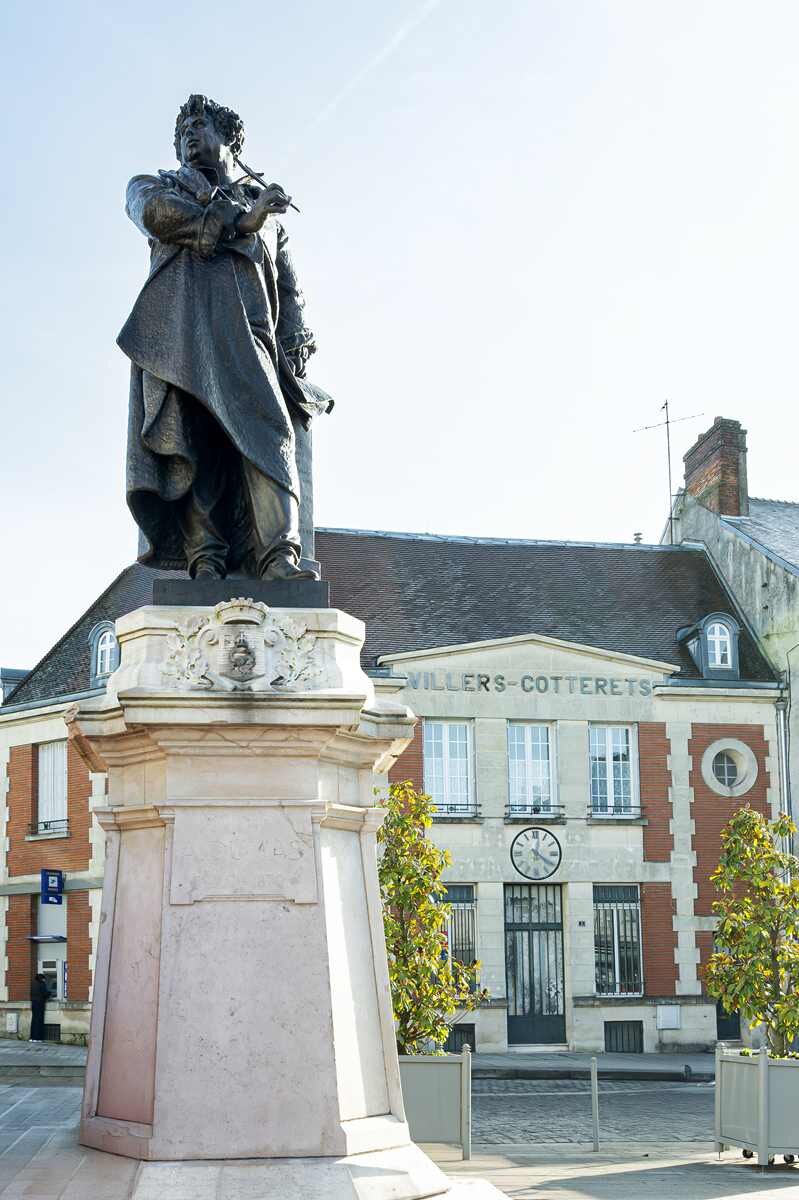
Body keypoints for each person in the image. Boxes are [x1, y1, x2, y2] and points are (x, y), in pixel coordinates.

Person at [120, 94, 331, 581]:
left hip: (249, 335)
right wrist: (238, 220)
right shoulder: (160, 184)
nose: (189, 136)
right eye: (183, 131)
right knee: (197, 442)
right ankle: (205, 560)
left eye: (201, 125)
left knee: (270, 431)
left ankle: (279, 556)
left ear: (230, 138)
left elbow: (287, 284)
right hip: (182, 336)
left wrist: (296, 333)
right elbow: (152, 211)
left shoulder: (267, 213)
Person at [30, 973, 48, 1042]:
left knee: (34, 1020)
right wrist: (50, 993)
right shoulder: (42, 984)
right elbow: (45, 994)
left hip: (34, 1003)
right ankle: (38, 1038)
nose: (44, 980)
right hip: (40, 1003)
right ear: (42, 978)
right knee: (39, 1021)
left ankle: (32, 1038)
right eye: (44, 979)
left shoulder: (33, 984)